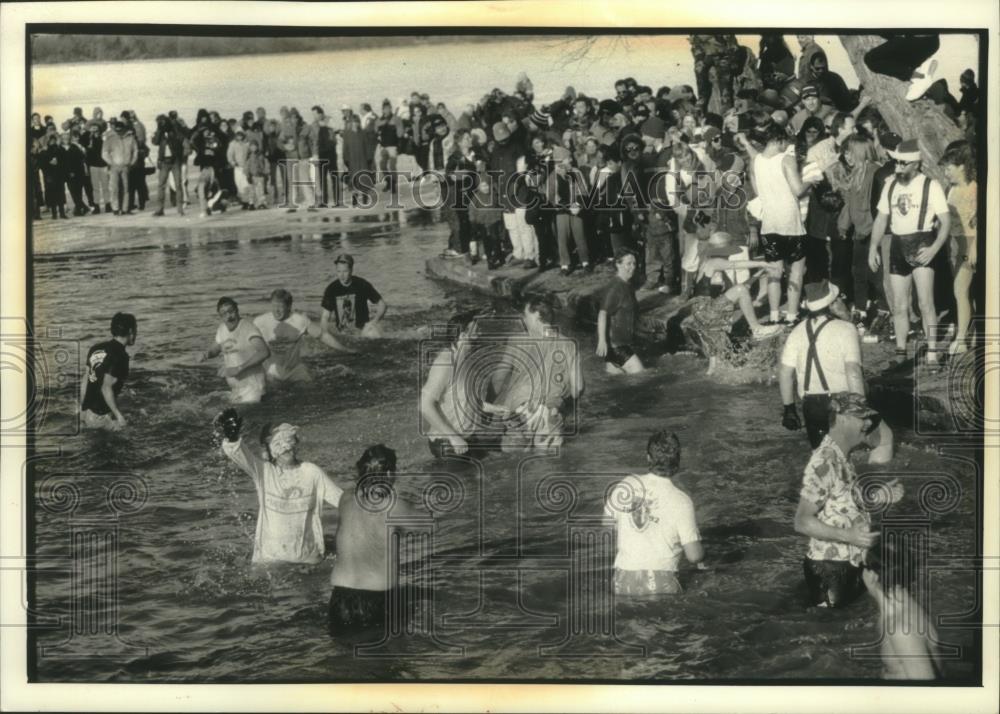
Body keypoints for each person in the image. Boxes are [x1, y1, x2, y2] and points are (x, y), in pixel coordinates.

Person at [793, 392, 901, 609]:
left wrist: (875, 497)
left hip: (847, 563)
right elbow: (802, 521)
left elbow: (840, 504)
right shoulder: (825, 461)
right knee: (831, 633)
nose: (869, 423)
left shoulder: (842, 456)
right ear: (841, 418)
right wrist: (849, 536)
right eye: (862, 417)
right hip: (829, 570)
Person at [779, 280, 894, 463]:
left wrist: (789, 410)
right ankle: (874, 482)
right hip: (840, 402)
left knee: (827, 459)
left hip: (811, 407)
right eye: (839, 298)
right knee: (884, 440)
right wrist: (860, 411)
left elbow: (785, 373)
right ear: (832, 304)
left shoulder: (797, 331)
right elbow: (853, 371)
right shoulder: (846, 329)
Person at [215, 409, 343, 565]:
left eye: (289, 441)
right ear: (267, 450)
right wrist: (232, 438)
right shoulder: (265, 472)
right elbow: (240, 455)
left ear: (296, 442)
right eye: (278, 443)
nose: (286, 448)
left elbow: (343, 501)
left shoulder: (311, 472)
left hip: (307, 559)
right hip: (271, 560)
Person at [868, 139, 951, 367]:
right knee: (899, 304)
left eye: (903, 164)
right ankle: (901, 352)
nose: (898, 167)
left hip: (921, 242)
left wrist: (934, 248)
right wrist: (873, 247)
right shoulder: (890, 185)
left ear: (915, 164)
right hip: (897, 245)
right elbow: (881, 218)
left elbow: (945, 222)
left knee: (925, 303)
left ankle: (932, 352)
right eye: (896, 163)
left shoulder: (930, 186)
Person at [328, 444, 421, 638]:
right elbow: (426, 526)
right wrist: (411, 500)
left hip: (339, 598)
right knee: (388, 662)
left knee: (342, 661)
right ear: (389, 473)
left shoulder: (345, 499)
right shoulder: (395, 506)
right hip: (377, 598)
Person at [604, 430, 705, 596]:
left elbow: (607, 523)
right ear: (677, 461)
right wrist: (704, 555)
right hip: (660, 584)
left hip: (622, 581)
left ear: (648, 458)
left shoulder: (626, 484)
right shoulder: (682, 501)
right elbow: (693, 556)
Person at [683, 231, 784, 375]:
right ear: (724, 250)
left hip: (701, 314)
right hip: (706, 311)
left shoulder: (709, 263)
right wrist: (762, 262)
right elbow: (736, 266)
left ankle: (708, 383)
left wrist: (758, 273)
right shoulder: (715, 261)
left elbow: (741, 290)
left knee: (714, 366)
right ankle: (756, 329)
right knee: (741, 289)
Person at [491, 296, 583, 452]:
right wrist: (562, 409)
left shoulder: (516, 341)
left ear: (536, 317)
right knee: (550, 464)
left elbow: (499, 378)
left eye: (525, 316)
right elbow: (578, 388)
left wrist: (491, 406)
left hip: (519, 412)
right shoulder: (569, 344)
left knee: (513, 465)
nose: (523, 320)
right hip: (550, 413)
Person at [750, 122, 820, 325]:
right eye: (785, 143)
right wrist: (811, 180)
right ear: (780, 140)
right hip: (790, 222)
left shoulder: (756, 161)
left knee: (774, 271)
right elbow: (798, 190)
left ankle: (773, 314)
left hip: (769, 222)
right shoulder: (786, 159)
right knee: (796, 271)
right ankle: (791, 315)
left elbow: (757, 191)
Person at [862, 537, 943, 680]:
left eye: (862, 566)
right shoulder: (898, 606)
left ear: (872, 576)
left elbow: (927, 694)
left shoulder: (901, 630)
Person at [253, 288, 353, 384]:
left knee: (310, 388)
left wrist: (345, 349)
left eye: (280, 306)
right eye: (274, 306)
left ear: (289, 306)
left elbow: (322, 335)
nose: (276, 310)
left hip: (294, 369)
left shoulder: (299, 320)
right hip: (271, 370)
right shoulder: (260, 322)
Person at [939, 142, 977, 356]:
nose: (945, 173)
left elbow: (982, 222)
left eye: (949, 168)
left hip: (971, 244)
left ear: (962, 166)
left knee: (960, 290)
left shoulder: (976, 189)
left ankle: (961, 339)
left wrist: (974, 249)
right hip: (955, 245)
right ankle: (970, 334)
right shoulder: (950, 189)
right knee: (965, 293)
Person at [200, 297, 270, 403]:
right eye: (224, 314)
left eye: (231, 311)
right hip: (236, 389)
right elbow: (217, 347)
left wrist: (238, 369)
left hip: (254, 388)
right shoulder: (222, 329)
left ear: (237, 310)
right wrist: (207, 354)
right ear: (221, 317)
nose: (228, 316)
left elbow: (264, 352)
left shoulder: (248, 328)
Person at [80, 312, 137, 430]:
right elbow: (106, 387)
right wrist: (119, 417)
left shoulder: (95, 348)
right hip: (102, 417)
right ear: (131, 331)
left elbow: (85, 380)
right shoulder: (121, 356)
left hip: (87, 413)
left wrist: (83, 410)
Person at [597, 247, 643, 374]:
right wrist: (602, 341)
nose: (632, 267)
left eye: (634, 263)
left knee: (620, 386)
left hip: (619, 346)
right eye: (628, 264)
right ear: (618, 264)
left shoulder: (628, 285)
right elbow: (602, 313)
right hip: (616, 346)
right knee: (642, 376)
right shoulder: (615, 287)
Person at [320, 254, 387, 337]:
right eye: (339, 271)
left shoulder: (362, 285)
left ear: (351, 270)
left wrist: (374, 321)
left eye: (345, 271)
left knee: (374, 334)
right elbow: (325, 316)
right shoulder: (331, 289)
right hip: (342, 334)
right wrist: (324, 333)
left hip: (363, 331)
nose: (341, 275)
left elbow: (382, 304)